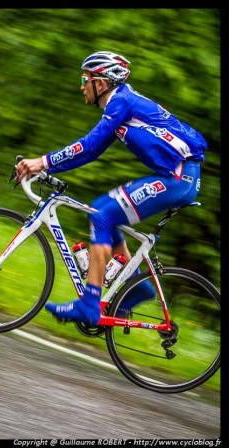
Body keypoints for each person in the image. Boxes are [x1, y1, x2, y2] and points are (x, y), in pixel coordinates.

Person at [16, 51, 207, 326]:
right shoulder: (121, 103)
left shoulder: (121, 102)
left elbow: (89, 144)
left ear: (101, 83)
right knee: (102, 209)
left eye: (85, 79)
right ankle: (135, 285)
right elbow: (89, 153)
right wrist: (48, 167)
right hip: (174, 176)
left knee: (102, 216)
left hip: (178, 178)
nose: (81, 85)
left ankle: (90, 304)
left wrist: (41, 162)